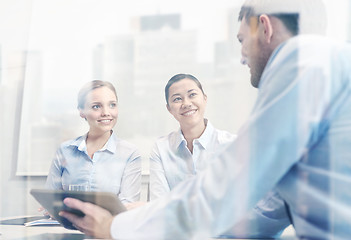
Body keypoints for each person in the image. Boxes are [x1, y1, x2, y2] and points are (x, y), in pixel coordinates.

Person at [59, 0, 351, 239]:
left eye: (241, 41)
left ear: (264, 27)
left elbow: (221, 194)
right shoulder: (322, 67)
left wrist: (114, 229)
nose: (241, 57)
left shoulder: (302, 62)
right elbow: (265, 212)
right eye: (176, 99)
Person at [149, 73, 290, 237]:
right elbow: (159, 207)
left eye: (192, 95)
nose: (186, 103)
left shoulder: (232, 145)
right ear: (169, 108)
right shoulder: (161, 148)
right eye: (177, 99)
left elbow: (239, 209)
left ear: (204, 98)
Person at [45, 80, 141, 204]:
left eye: (112, 105)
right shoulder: (65, 150)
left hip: (109, 223)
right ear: (81, 111)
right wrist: (51, 208)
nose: (106, 112)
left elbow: (128, 206)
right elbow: (50, 199)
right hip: (67, 223)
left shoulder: (129, 153)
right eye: (96, 106)